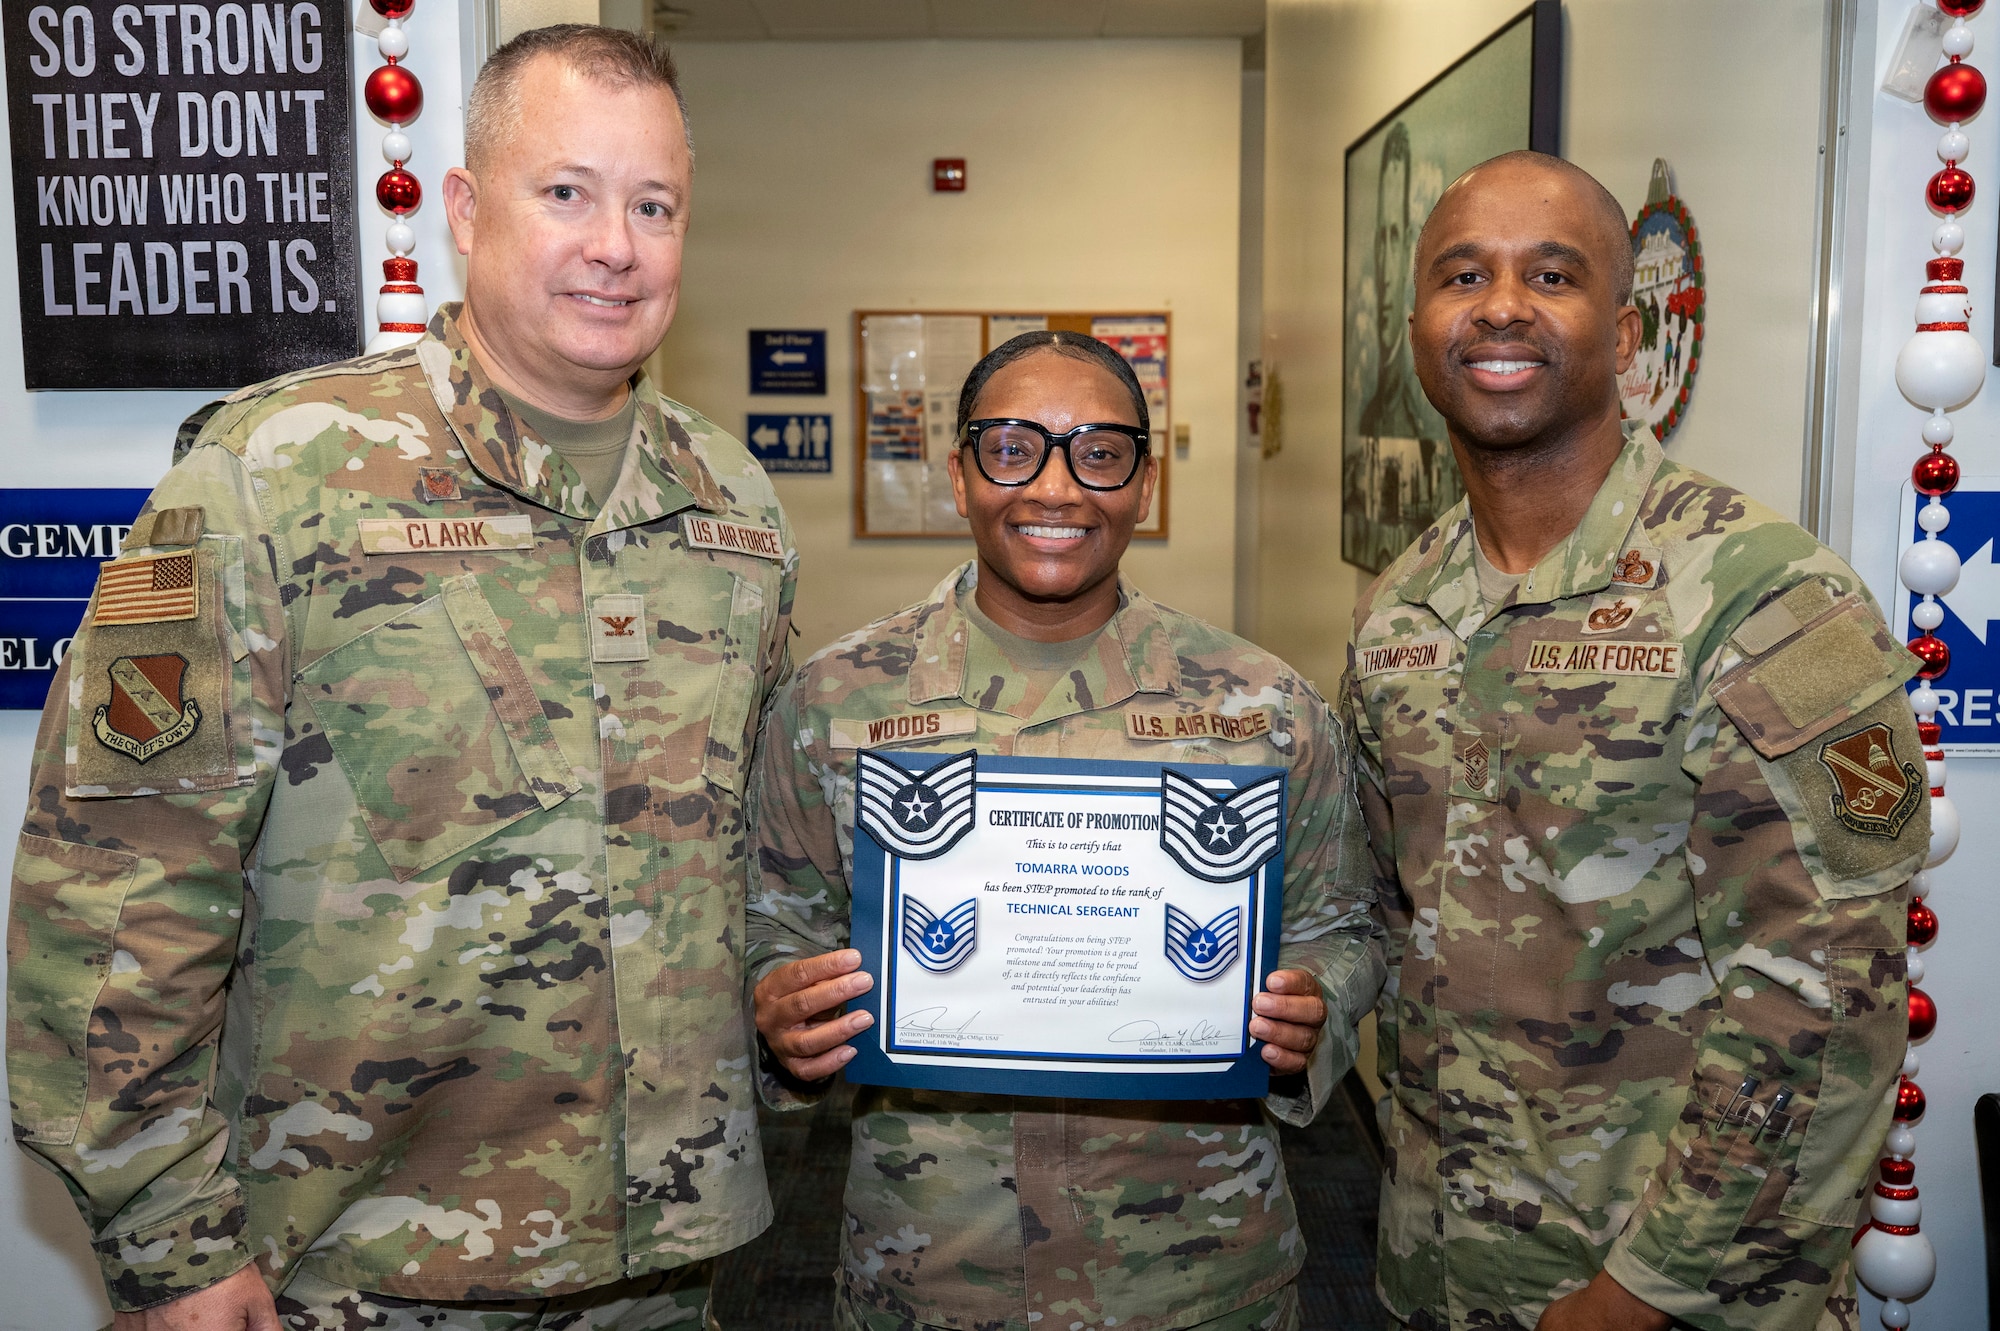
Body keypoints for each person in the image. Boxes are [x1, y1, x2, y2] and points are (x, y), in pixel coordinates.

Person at [6, 25, 793, 1330]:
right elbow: (116, 881)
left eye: (654, 205)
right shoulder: (275, 472)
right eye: (568, 192)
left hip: (665, 1257)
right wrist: (167, 1243)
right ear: (466, 210)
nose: (616, 243)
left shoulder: (734, 504)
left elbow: (757, 849)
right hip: (355, 1265)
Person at [1347, 150, 1924, 1331]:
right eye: (1462, 275)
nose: (1499, 305)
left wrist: (1644, 1288)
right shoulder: (1400, 608)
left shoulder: (1768, 597)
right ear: (1416, 333)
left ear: (1621, 333)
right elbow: (1392, 918)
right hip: (1443, 1259)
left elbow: (1824, 997)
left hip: (1673, 1282)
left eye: (1549, 275)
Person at [745, 331, 1386, 1331]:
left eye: (1098, 453)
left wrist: (1315, 1006)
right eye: (1012, 449)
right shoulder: (834, 702)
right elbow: (771, 924)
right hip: (932, 1270)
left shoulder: (1263, 707)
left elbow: (1345, 928)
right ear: (960, 474)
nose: (1055, 488)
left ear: (1144, 484)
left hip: (1195, 1273)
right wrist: (781, 1007)